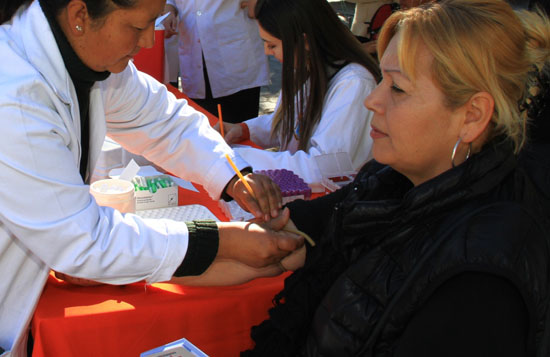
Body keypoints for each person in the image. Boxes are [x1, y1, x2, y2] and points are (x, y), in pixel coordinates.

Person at [179, 0, 550, 355]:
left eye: (398, 88)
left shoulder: (480, 282)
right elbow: (282, 236)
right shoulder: (386, 185)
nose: (372, 100)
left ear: (472, 115)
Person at [0, 0, 303, 355]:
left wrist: (232, 175)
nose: (148, 42)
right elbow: (85, 241)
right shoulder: (15, 98)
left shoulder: (83, 54)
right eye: (138, 27)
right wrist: (223, 242)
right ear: (81, 15)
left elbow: (162, 118)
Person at [217, 0, 381, 185]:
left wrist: (236, 156)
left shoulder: (354, 84)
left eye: (272, 45)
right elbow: (292, 122)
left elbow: (324, 168)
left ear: (305, 42)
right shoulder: (309, 67)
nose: (267, 52)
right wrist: (246, 130)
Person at [162, 0, 269, 123]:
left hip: (235, 57)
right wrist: (169, 9)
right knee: (203, 128)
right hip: (195, 59)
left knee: (239, 130)